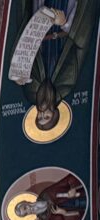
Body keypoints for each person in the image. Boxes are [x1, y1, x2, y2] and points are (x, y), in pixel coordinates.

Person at [11, 1, 97, 133]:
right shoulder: (66, 85)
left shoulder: (31, 92)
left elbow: (23, 52)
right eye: (46, 117)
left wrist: (18, 72)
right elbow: (80, 45)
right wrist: (65, 24)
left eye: (39, 117)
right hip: (63, 13)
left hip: (41, 24)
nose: (42, 113)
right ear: (55, 113)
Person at [13, 174, 86, 220]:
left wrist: (73, 188)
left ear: (27, 202)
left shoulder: (46, 194)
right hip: (83, 209)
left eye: (25, 208)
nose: (29, 210)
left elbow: (67, 181)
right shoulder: (46, 217)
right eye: (26, 213)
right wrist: (64, 213)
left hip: (83, 193)